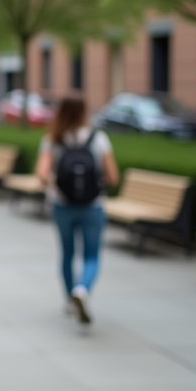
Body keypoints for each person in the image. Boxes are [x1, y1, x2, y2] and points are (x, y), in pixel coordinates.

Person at [34, 95, 120, 325]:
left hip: (63, 205)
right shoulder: (98, 139)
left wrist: (57, 187)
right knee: (91, 255)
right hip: (93, 205)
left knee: (67, 254)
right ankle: (83, 290)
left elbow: (42, 175)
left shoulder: (53, 139)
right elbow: (113, 177)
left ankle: (70, 300)